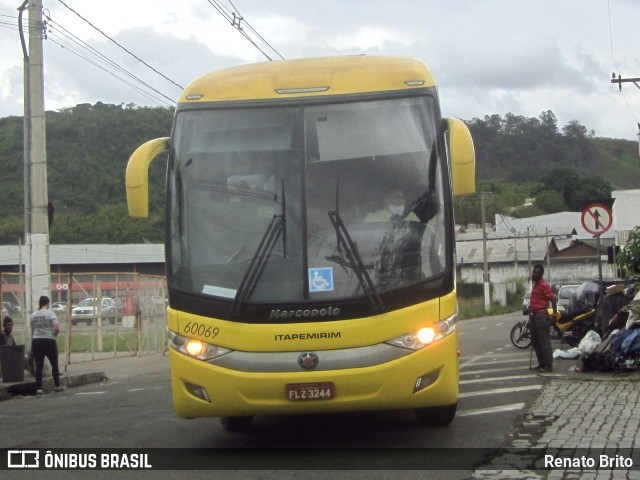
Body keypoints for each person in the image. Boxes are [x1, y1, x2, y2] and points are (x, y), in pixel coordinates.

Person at [30, 295, 64, 397]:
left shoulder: (33, 315)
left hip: (36, 340)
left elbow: (32, 329)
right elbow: (57, 328)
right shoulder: (50, 313)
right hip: (49, 340)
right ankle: (57, 386)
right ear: (47, 303)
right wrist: (53, 335)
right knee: (54, 363)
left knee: (39, 366)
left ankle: (39, 389)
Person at [529, 263, 557, 373]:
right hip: (534, 315)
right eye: (533, 272)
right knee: (535, 341)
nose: (533, 274)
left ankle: (548, 365)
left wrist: (554, 314)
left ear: (540, 274)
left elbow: (553, 300)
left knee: (544, 342)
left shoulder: (544, 285)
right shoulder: (535, 285)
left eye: (536, 272)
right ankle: (542, 363)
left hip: (541, 315)